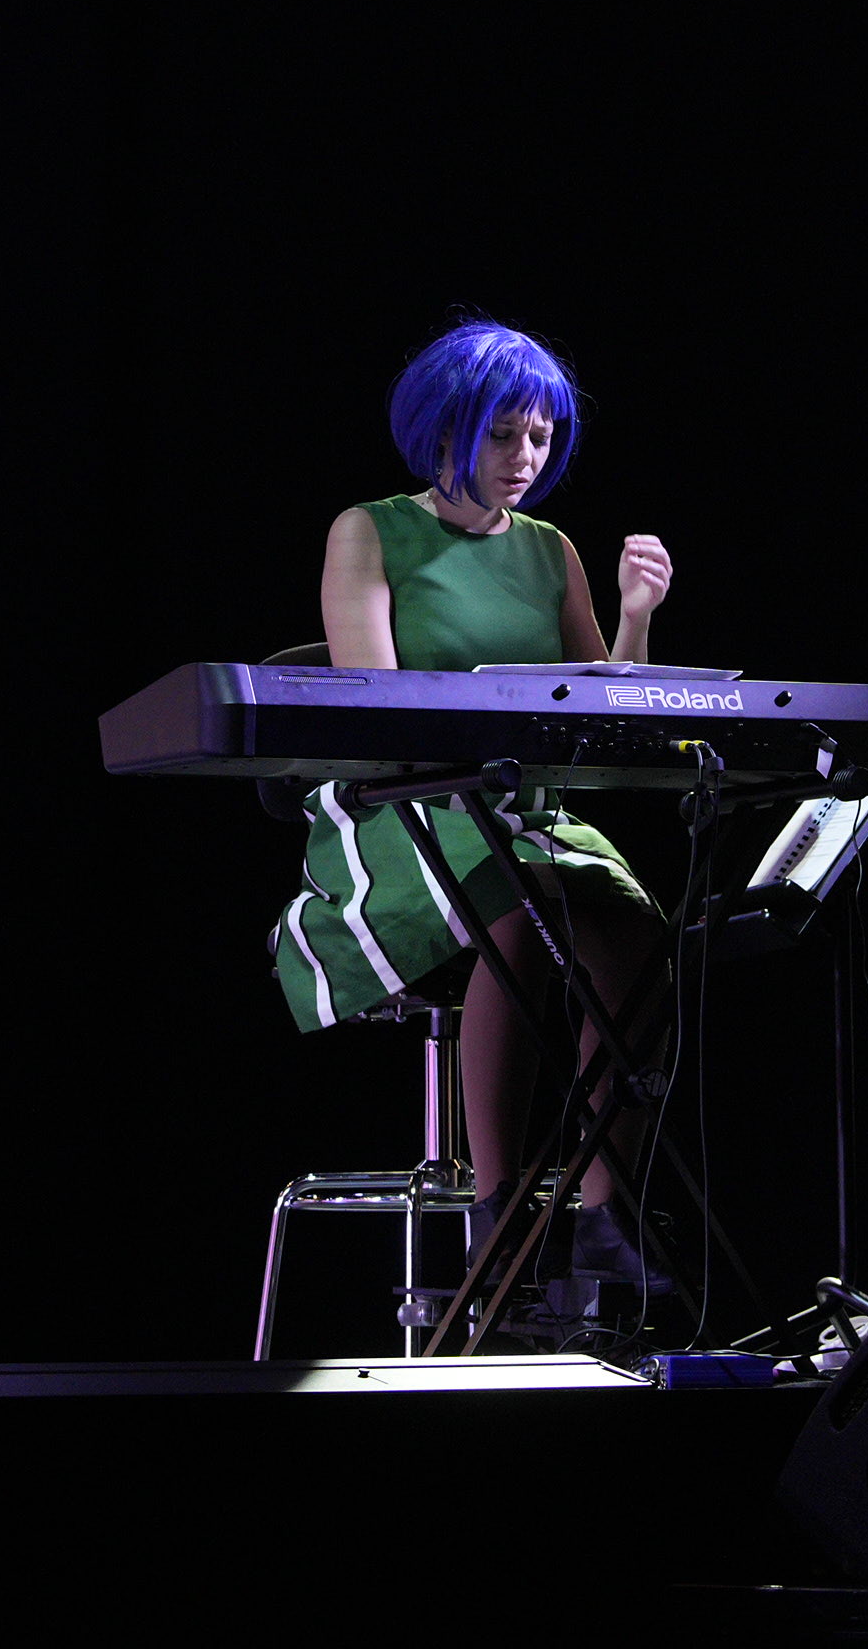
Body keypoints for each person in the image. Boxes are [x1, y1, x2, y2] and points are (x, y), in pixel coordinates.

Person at [269, 319, 677, 1281]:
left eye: (540, 437)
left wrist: (636, 620)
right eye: (503, 435)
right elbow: (378, 705)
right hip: (404, 802)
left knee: (638, 932)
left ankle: (605, 1214)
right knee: (516, 904)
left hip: (522, 809)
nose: (524, 457)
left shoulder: (551, 550)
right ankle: (499, 1209)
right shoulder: (370, 530)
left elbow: (602, 709)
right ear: (447, 426)